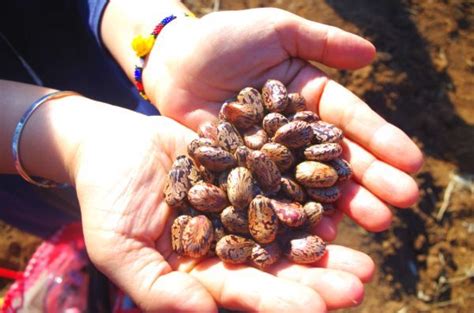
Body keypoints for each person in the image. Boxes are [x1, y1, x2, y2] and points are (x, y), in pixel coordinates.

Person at [0, 0, 423, 312]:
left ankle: (95, 254)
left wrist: (162, 38)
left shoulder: (237, 156)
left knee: (144, 189)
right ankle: (84, 252)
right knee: (68, 217)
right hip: (34, 162)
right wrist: (78, 142)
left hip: (149, 100)